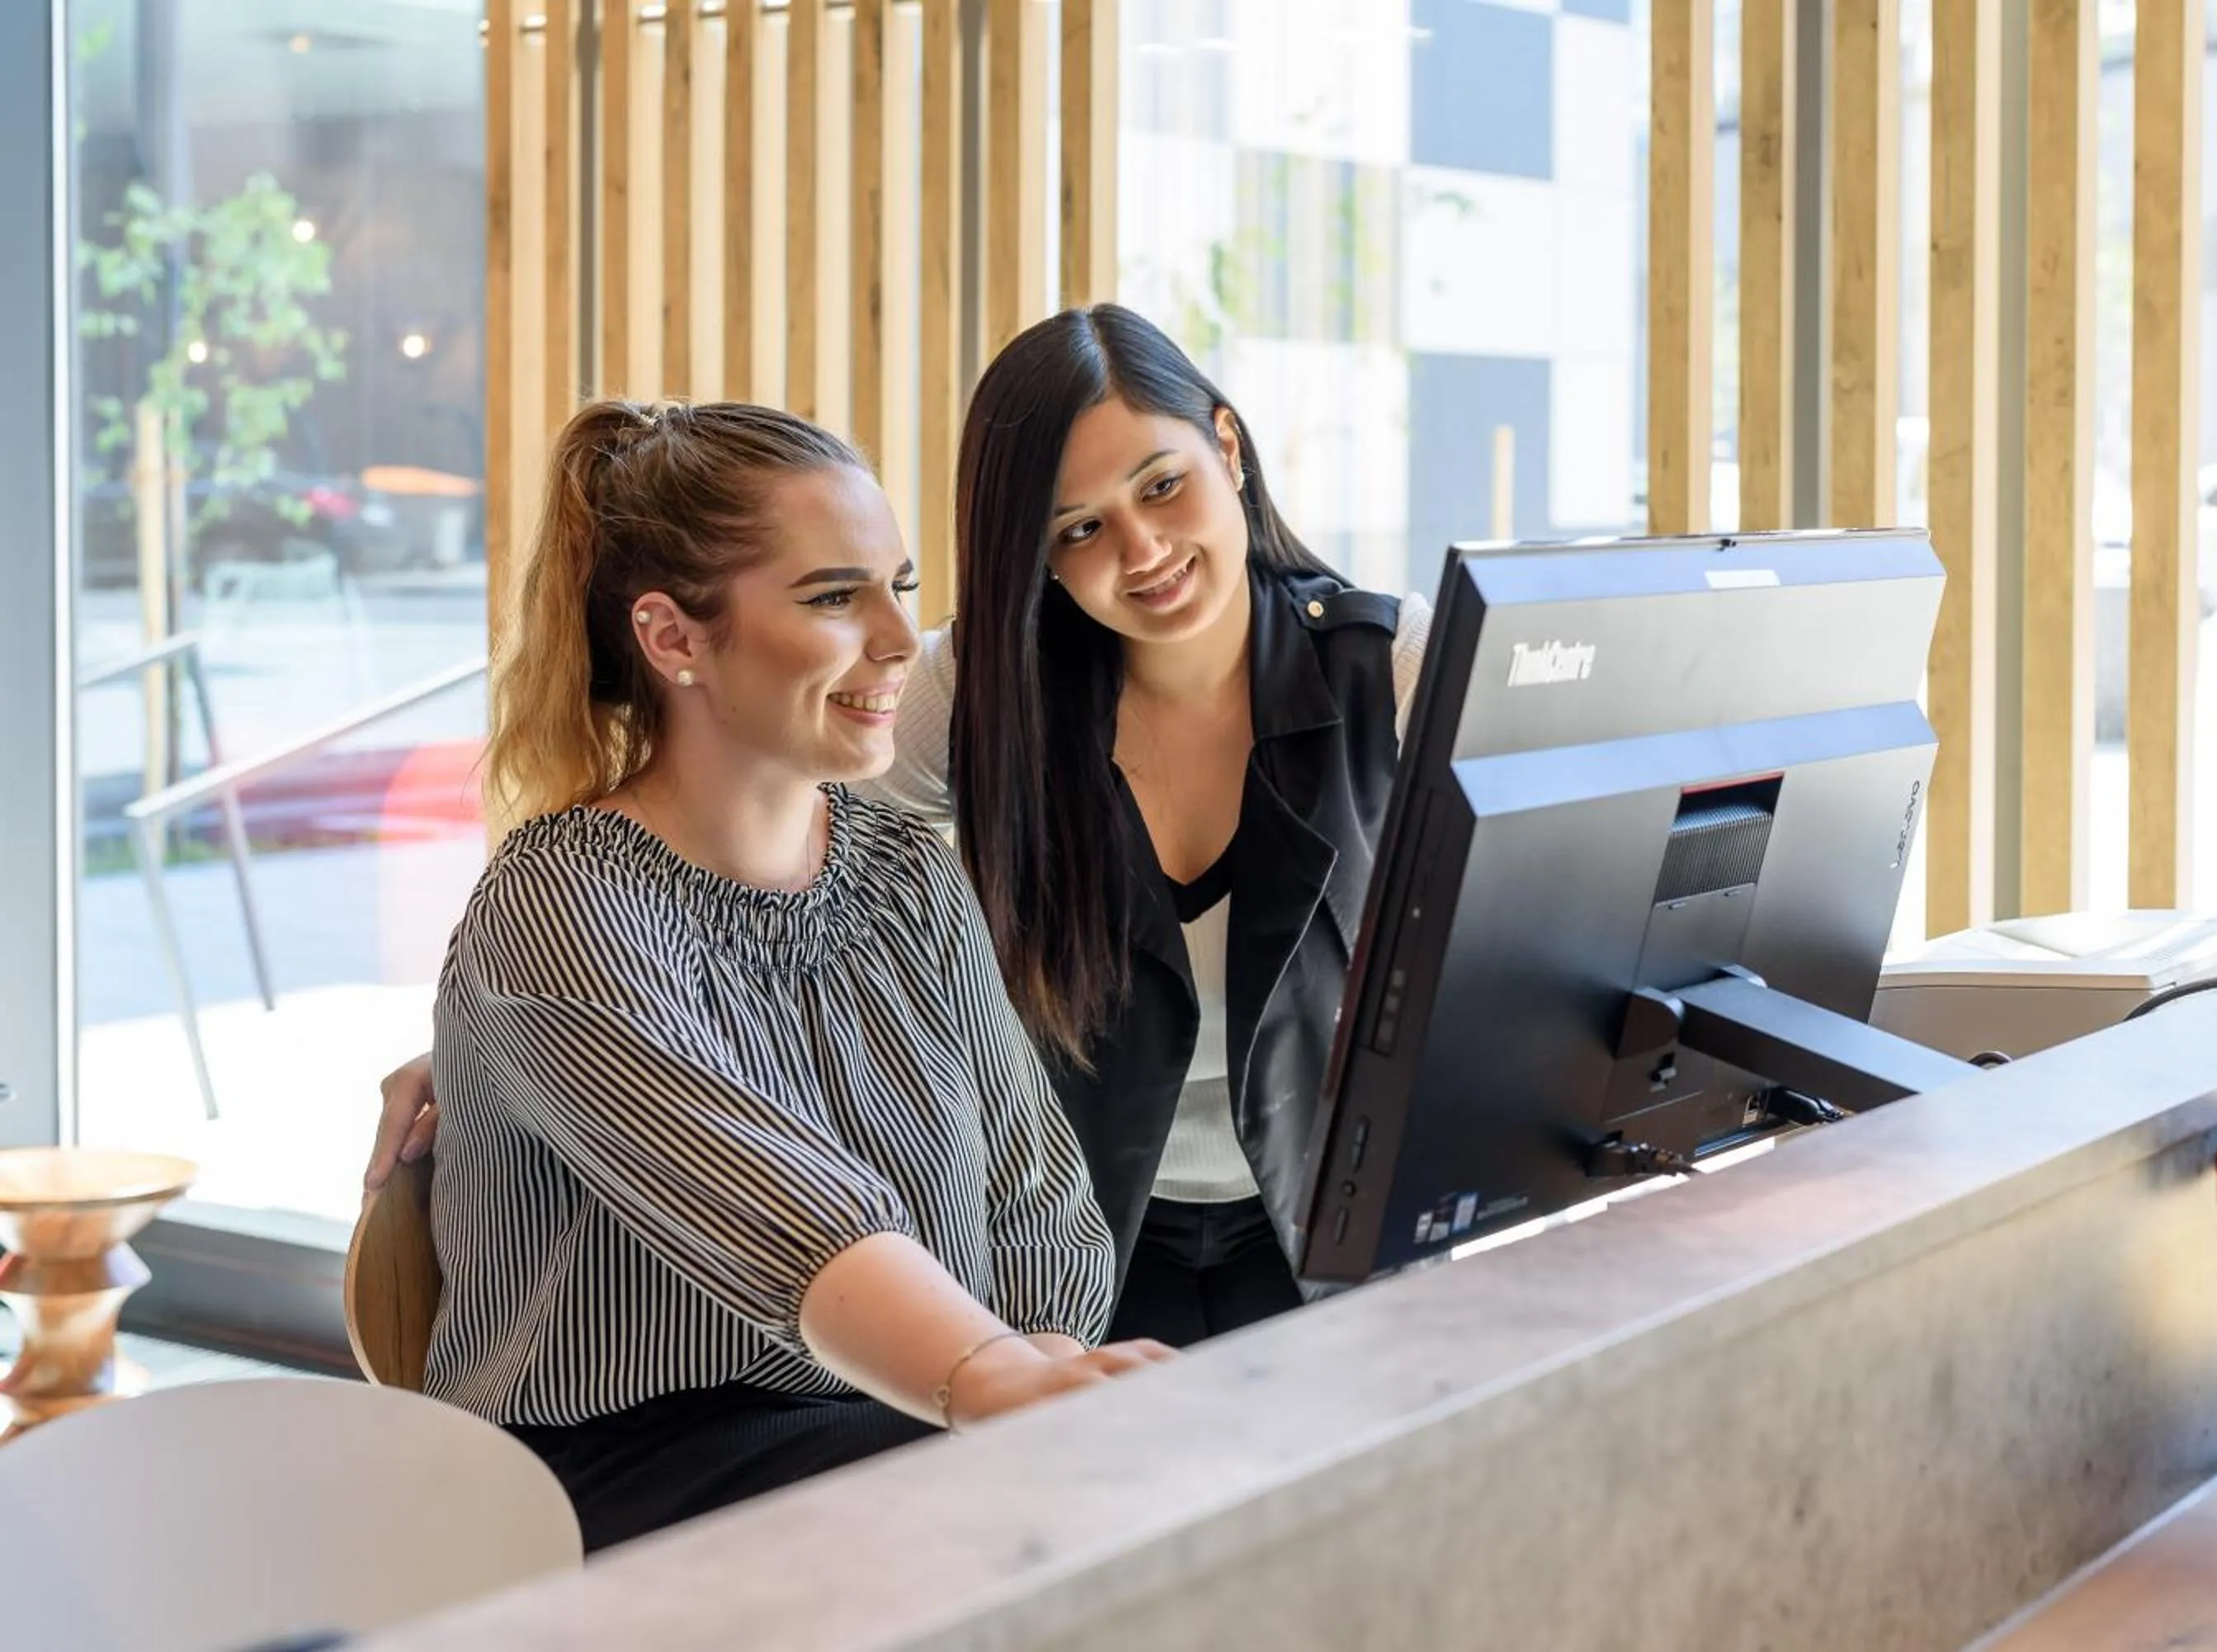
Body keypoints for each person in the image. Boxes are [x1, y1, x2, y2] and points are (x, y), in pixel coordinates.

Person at [371, 307, 1431, 1349]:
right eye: (1079, 528)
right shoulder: (986, 691)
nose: (1143, 547)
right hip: (1101, 1244)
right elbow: (740, 870)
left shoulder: (1394, 667)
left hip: (1310, 1222)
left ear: (1228, 447)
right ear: (1038, 555)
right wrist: (512, 1040)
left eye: (1163, 484)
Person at [418, 398, 1168, 1552]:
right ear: (672, 638)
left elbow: (1035, 1199)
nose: (896, 640)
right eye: (833, 597)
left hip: (899, 1416)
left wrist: (1044, 1359)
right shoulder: (560, 902)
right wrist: (993, 1381)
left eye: (897, 588)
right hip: (618, 1475)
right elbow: (783, 1214)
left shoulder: (909, 872)